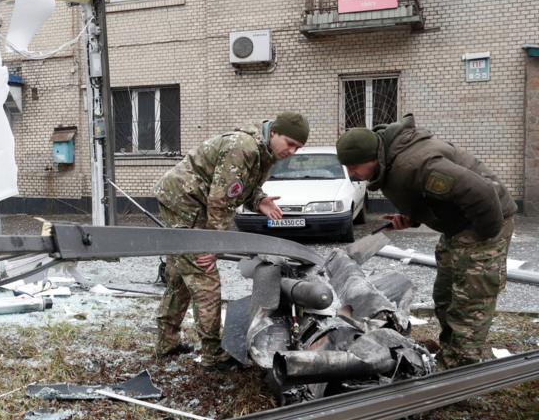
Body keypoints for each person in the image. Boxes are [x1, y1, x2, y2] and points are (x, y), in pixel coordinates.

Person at [335, 114, 516, 369]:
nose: (352, 175)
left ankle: (460, 374)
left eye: (354, 167)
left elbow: (482, 193)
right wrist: (412, 218)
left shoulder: (418, 164)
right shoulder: (390, 164)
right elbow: (432, 196)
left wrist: (484, 239)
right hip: (458, 228)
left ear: (373, 158)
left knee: (469, 302)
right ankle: (450, 353)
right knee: (444, 296)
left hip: (483, 223)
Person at [154, 112, 309, 368]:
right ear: (273, 133)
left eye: (298, 147)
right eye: (290, 143)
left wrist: (259, 199)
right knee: (204, 275)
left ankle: (166, 343)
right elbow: (220, 200)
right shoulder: (244, 147)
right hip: (185, 203)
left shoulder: (264, 152)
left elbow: (242, 186)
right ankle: (213, 354)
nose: (292, 151)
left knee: (180, 274)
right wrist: (215, 245)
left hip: (195, 203)